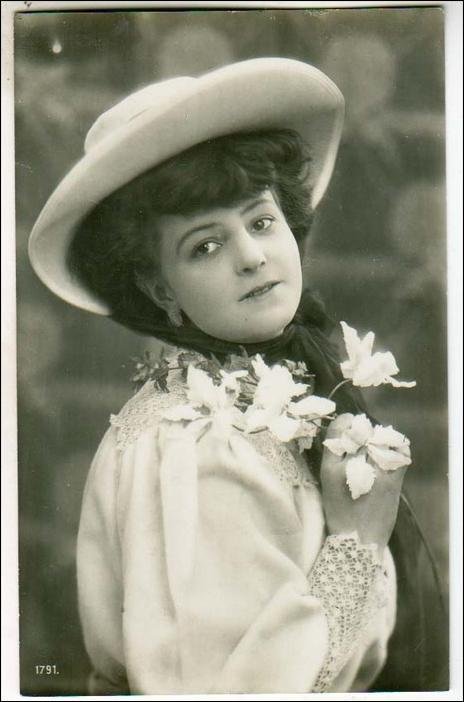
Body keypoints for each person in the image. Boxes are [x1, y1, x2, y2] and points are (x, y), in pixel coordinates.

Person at [28, 58, 411, 694]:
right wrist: (356, 541)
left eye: (261, 221)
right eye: (206, 245)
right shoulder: (199, 442)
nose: (253, 256)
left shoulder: (259, 394)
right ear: (159, 287)